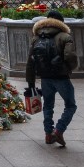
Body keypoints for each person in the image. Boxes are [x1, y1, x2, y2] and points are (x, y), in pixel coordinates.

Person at [25, 9, 78, 147]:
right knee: (71, 105)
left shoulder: (36, 37)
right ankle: (59, 130)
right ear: (61, 22)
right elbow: (70, 56)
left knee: (48, 106)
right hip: (61, 77)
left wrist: (31, 81)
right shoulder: (65, 36)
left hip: (45, 78)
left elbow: (30, 61)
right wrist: (69, 68)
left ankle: (48, 134)